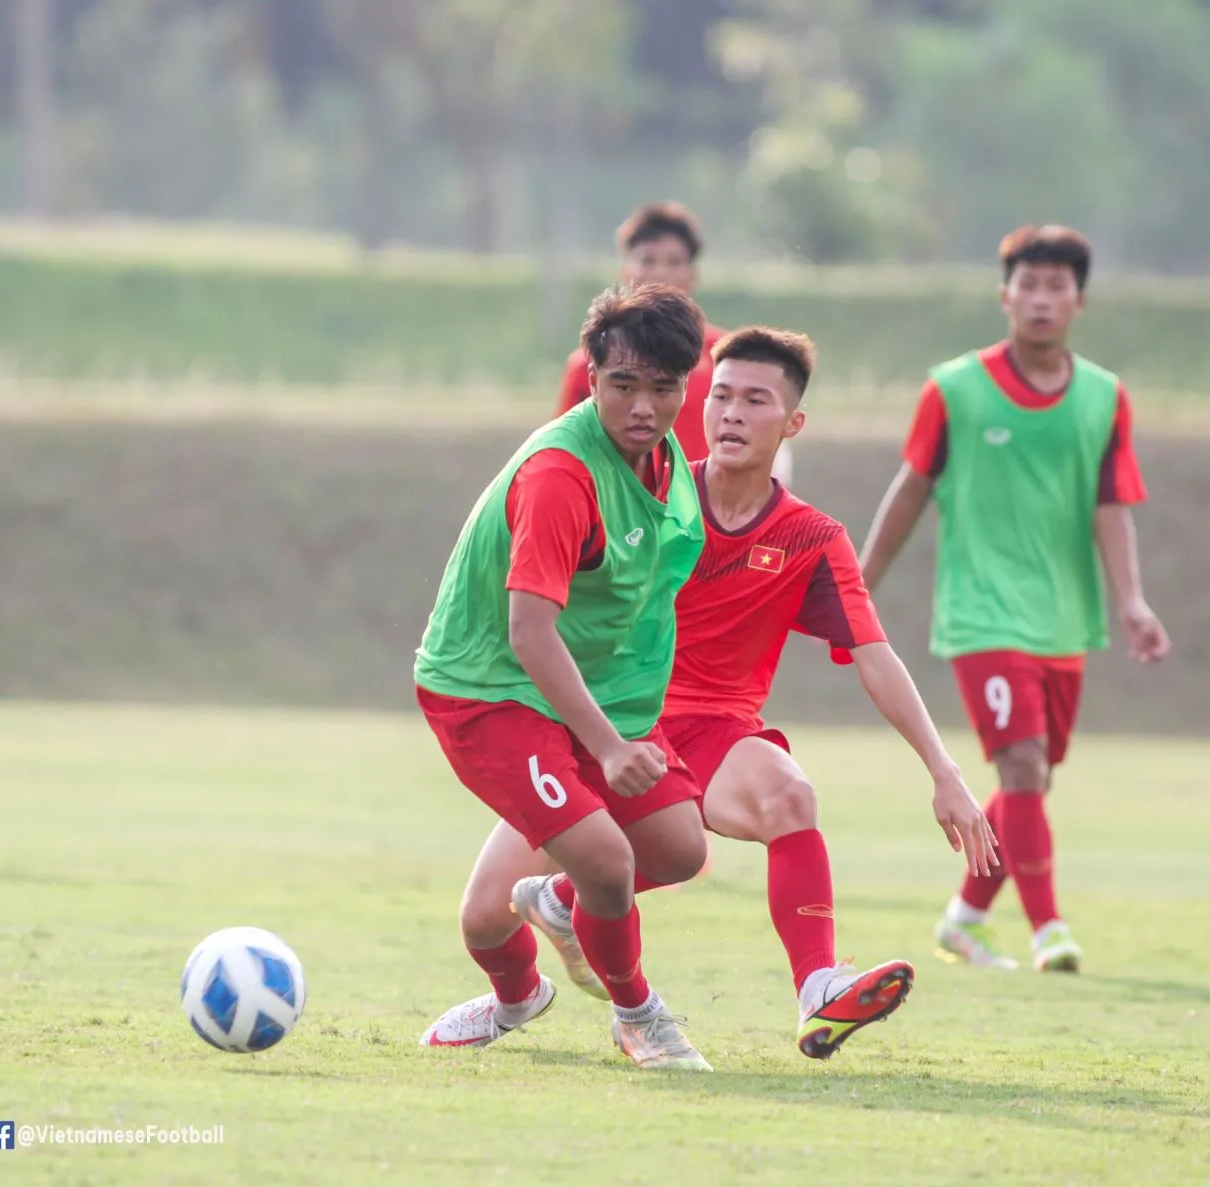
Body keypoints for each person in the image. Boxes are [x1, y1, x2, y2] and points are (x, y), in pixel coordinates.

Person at [429, 327, 997, 1061]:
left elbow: (877, 656)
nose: (730, 412)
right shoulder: (649, 497)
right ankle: (516, 995)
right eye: (720, 395)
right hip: (606, 722)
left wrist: (943, 771)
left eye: (755, 400)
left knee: (789, 795)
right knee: (483, 919)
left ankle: (817, 986)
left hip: (716, 734)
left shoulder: (812, 538)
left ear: (792, 424)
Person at [415, 284, 714, 1071]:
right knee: (608, 863)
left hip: (590, 694)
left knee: (679, 848)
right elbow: (529, 630)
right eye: (624, 385)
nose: (645, 406)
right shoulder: (560, 474)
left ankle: (556, 907)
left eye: (664, 387)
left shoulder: (665, 456)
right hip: (491, 690)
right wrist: (611, 746)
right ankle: (632, 1013)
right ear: (591, 379)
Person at [858, 225, 1168, 973]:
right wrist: (857, 581)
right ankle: (1048, 929)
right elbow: (911, 490)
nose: (1039, 298)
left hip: (1064, 619)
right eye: (1026, 284)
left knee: (1029, 778)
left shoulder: (1104, 396)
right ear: (1005, 296)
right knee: (1024, 768)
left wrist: (1132, 599)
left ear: (1078, 300)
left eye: (1055, 285)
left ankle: (964, 917)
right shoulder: (955, 387)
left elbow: (1110, 504)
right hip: (981, 614)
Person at [554, 200, 793, 485]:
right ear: (625, 270)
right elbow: (566, 453)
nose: (659, 273)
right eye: (647, 260)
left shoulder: (731, 358)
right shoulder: (590, 364)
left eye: (674, 262)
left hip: (708, 518)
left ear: (692, 275)